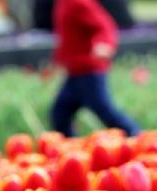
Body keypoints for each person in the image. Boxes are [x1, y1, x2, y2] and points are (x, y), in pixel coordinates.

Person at [50, 0, 140, 137]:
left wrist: (104, 43)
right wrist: (57, 62)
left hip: (89, 71)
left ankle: (138, 137)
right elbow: (68, 37)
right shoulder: (63, 2)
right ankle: (69, 150)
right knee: (60, 113)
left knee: (105, 112)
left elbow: (104, 25)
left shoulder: (78, 2)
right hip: (75, 73)